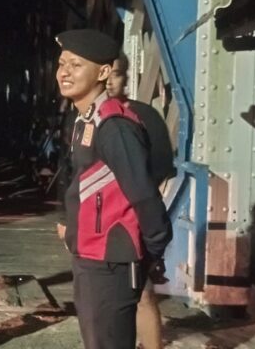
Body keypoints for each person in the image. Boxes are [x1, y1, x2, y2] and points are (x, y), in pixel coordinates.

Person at [55, 29, 172, 349]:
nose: (64, 72)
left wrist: (153, 250)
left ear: (103, 72)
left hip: (111, 259)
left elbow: (144, 194)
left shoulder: (114, 126)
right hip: (91, 254)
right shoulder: (86, 120)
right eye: (62, 63)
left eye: (76, 65)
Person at [107, 52, 175, 349]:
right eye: (105, 73)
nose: (110, 81)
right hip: (97, 225)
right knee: (102, 298)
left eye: (117, 74)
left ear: (126, 77)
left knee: (143, 293)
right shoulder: (83, 118)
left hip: (132, 219)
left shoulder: (144, 116)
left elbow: (161, 167)